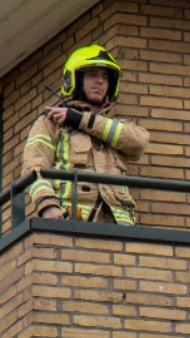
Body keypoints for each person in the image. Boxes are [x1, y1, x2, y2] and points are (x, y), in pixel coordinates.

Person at [23, 45, 148, 223]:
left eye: (105, 77)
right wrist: (47, 205)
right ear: (74, 79)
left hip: (119, 230)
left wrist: (82, 120)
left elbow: (139, 143)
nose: (100, 81)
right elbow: (33, 169)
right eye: (92, 75)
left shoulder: (115, 128)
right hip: (74, 223)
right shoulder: (50, 123)